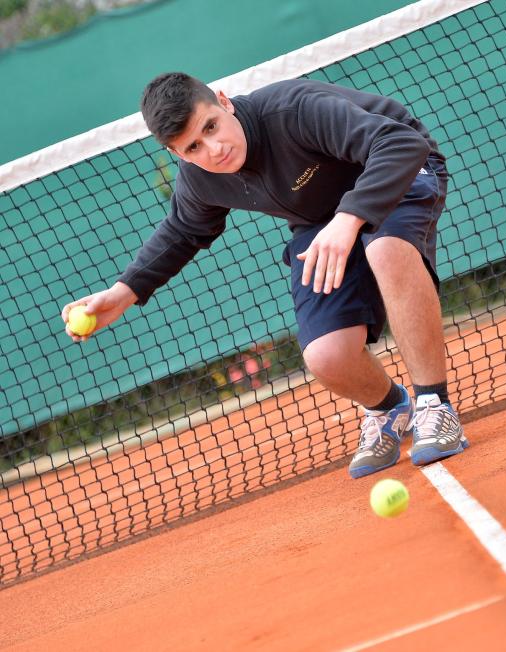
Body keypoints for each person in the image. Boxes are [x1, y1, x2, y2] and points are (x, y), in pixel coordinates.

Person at [61, 72, 469, 478]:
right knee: (327, 357)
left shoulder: (291, 111)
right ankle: (390, 409)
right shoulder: (200, 177)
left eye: (211, 126)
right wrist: (122, 293)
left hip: (397, 168)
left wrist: (348, 220)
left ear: (224, 102)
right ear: (179, 154)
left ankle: (435, 404)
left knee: (384, 249)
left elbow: (400, 142)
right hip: (320, 220)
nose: (214, 148)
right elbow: (184, 230)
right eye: (194, 146)